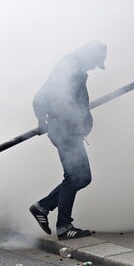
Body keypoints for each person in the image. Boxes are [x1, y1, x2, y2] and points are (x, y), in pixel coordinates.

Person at [29, 40, 107, 240]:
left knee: (80, 177)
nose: (93, 68)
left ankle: (43, 207)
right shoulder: (69, 66)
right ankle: (64, 226)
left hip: (69, 130)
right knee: (76, 177)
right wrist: (42, 121)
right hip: (64, 130)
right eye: (94, 62)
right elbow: (40, 98)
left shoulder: (77, 68)